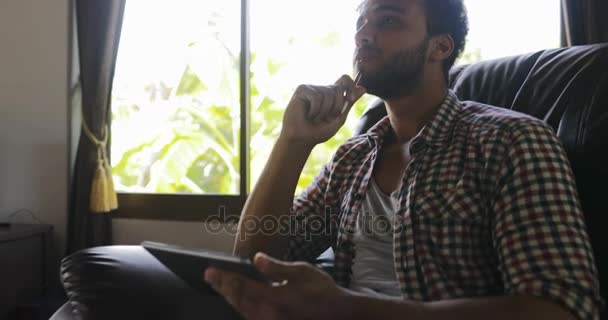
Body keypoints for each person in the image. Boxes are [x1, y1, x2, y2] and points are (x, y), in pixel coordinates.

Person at [204, 0, 603, 319]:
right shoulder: (352, 158)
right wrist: (292, 143)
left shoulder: (510, 140)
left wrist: (347, 308)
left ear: (439, 46)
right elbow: (254, 262)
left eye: (389, 20)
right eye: (362, 22)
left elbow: (561, 307)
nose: (364, 34)